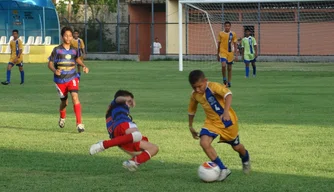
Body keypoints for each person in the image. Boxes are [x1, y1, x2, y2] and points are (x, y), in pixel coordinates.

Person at [187, 70, 250, 181]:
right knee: (204, 142)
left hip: (228, 122)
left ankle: (245, 158)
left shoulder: (213, 87)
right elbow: (192, 110)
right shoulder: (195, 95)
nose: (197, 90)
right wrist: (190, 126)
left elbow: (228, 94)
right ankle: (223, 169)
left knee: (236, 147)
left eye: (199, 86)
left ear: (205, 81)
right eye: (194, 87)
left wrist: (225, 111)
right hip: (211, 123)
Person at [89, 90, 159, 172]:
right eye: (129, 100)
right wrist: (126, 99)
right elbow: (118, 99)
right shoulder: (117, 104)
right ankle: (103, 145)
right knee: (137, 135)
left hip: (120, 136)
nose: (130, 103)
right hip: (122, 125)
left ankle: (133, 162)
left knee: (153, 148)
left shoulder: (114, 112)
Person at [48, 27, 89, 133]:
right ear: (62, 37)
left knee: (75, 97)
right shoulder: (57, 50)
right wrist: (54, 70)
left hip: (72, 77)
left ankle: (79, 124)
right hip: (60, 80)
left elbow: (77, 59)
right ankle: (62, 117)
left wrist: (84, 66)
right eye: (66, 35)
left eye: (70, 36)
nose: (68, 37)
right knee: (64, 103)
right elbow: (50, 63)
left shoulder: (75, 50)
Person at [217, 21, 238, 87]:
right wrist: (217, 54)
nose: (227, 27)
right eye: (226, 26)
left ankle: (229, 82)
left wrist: (236, 55)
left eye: (228, 26)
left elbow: (235, 44)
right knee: (223, 65)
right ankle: (224, 79)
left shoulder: (233, 34)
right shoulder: (221, 33)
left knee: (229, 68)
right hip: (222, 52)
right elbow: (219, 44)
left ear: (230, 26)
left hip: (230, 53)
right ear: (224, 26)